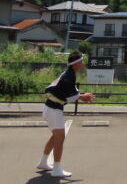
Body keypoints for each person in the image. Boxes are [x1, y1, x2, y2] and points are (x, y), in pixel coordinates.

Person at [38, 50, 94, 178]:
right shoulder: (69, 75)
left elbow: (71, 92)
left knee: (55, 137)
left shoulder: (69, 74)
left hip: (50, 108)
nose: (82, 64)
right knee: (59, 139)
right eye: (81, 61)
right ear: (75, 64)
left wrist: (81, 96)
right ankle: (56, 169)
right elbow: (72, 95)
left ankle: (43, 162)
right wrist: (83, 96)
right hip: (54, 109)